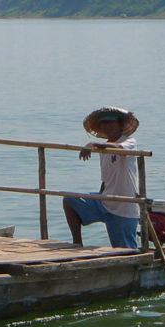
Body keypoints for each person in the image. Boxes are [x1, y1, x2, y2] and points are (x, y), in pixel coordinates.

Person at [63, 106, 141, 248]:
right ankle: (77, 243)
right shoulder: (102, 149)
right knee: (69, 200)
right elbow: (105, 178)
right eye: (104, 124)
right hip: (104, 201)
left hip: (124, 206)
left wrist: (92, 144)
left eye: (111, 123)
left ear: (120, 125)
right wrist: (100, 194)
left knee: (125, 252)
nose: (107, 126)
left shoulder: (129, 142)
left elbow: (119, 148)